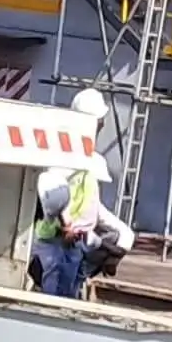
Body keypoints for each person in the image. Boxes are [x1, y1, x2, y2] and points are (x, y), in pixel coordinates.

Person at [30, 86, 117, 298]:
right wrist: (67, 224)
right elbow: (54, 188)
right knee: (54, 299)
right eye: (99, 120)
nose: (103, 124)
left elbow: (90, 201)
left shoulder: (88, 157)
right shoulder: (67, 152)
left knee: (67, 295)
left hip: (73, 241)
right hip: (56, 240)